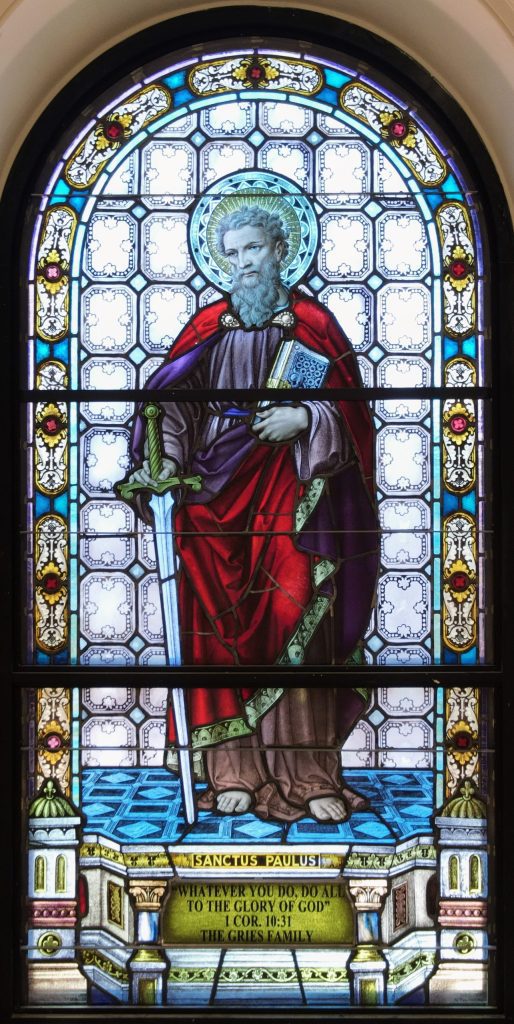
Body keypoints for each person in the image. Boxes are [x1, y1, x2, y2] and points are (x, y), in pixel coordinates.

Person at [129, 202, 379, 824]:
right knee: (216, 633)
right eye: (232, 253)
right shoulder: (207, 326)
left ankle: (308, 774)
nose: (242, 264)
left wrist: (307, 418)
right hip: (212, 493)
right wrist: (167, 460)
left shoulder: (315, 325)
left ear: (281, 250)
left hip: (293, 489)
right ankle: (232, 773)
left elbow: (354, 417)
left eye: (254, 249)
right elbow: (171, 404)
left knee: (297, 619)